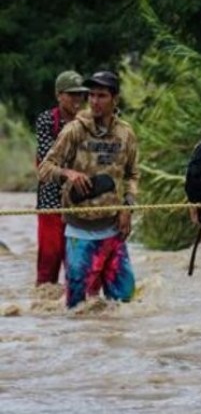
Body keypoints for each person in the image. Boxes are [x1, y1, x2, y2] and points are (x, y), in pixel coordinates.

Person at [38, 71, 139, 308]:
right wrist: (68, 173)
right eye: (91, 95)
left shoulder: (125, 133)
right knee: (77, 308)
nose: (94, 101)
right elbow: (45, 168)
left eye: (101, 96)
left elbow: (132, 175)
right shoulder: (74, 130)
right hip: (79, 232)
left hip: (113, 231)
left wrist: (128, 206)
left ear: (115, 99)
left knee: (125, 304)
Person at [34, 71, 89, 285]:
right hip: (51, 200)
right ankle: (43, 300)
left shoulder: (89, 121)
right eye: (71, 94)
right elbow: (47, 157)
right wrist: (69, 172)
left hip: (80, 201)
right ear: (59, 95)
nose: (77, 99)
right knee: (49, 257)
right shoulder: (46, 120)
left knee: (77, 266)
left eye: (80, 94)